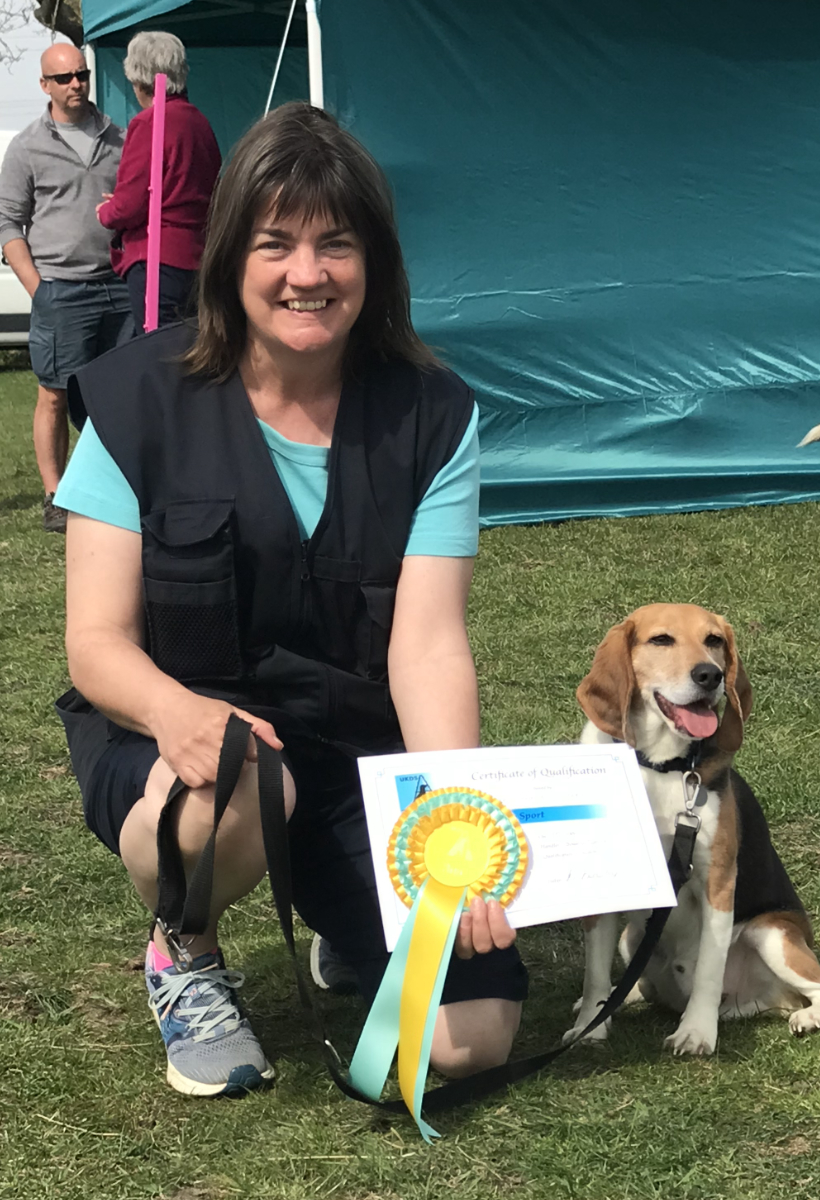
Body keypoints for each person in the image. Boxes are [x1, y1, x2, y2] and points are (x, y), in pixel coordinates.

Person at [54, 102, 527, 1100]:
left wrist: (455, 834)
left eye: (335, 245)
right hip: (174, 748)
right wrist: (179, 715)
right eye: (275, 244)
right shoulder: (136, 400)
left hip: (357, 753)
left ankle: (358, 933)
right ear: (230, 256)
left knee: (467, 1041)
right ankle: (184, 951)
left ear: (376, 263)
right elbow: (96, 645)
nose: (306, 273)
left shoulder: (434, 417)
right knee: (238, 783)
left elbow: (430, 648)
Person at [0, 42, 132, 534]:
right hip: (61, 289)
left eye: (81, 74)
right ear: (45, 86)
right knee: (54, 393)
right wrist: (39, 288)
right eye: (63, 78)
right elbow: (8, 222)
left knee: (120, 393)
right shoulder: (27, 146)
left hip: (118, 288)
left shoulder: (119, 138)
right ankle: (55, 494)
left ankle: (118, 484)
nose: (75, 83)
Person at [96, 31, 221, 331]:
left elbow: (131, 203)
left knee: (158, 355)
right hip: (198, 256)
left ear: (140, 79)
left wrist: (106, 212)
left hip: (158, 260)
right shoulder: (200, 122)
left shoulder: (149, 122)